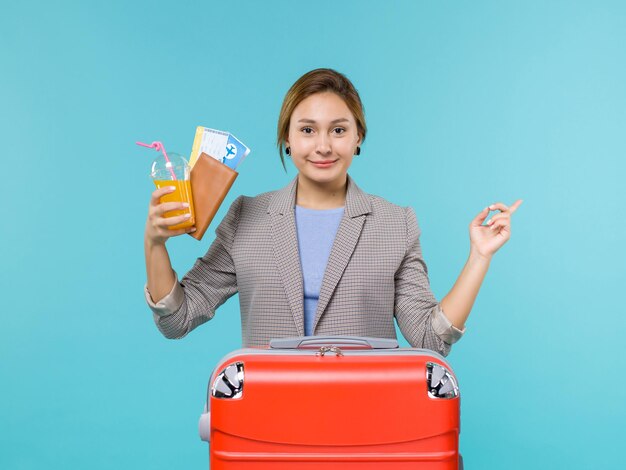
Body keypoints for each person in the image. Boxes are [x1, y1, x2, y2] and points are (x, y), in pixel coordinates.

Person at [143, 68, 522, 356]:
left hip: (364, 427)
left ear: (358, 137)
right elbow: (179, 318)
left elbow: (429, 337)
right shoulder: (247, 217)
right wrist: (154, 243)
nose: (322, 146)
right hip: (269, 424)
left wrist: (479, 257)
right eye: (307, 130)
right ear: (287, 140)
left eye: (338, 130)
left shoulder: (395, 224)